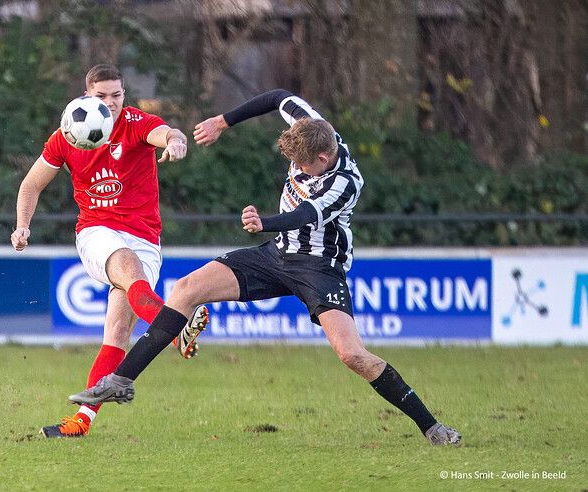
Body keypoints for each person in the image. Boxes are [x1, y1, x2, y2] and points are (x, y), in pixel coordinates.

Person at [69, 89, 461, 446]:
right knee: (185, 290)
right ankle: (120, 381)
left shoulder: (346, 181)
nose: (295, 170)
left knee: (352, 355)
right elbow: (278, 97)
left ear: (322, 160)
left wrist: (264, 222)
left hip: (319, 269)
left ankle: (432, 427)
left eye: (302, 166)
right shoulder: (311, 125)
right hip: (274, 256)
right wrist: (223, 121)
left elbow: (306, 214)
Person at [11, 64, 209, 438]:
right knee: (126, 265)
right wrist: (23, 226)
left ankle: (80, 421)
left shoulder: (136, 123)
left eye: (117, 95)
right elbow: (30, 186)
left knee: (116, 334)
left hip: (146, 237)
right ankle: (174, 325)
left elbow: (166, 132)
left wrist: (177, 141)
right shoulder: (68, 133)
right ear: (86, 97)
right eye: (102, 96)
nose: (111, 103)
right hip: (96, 232)